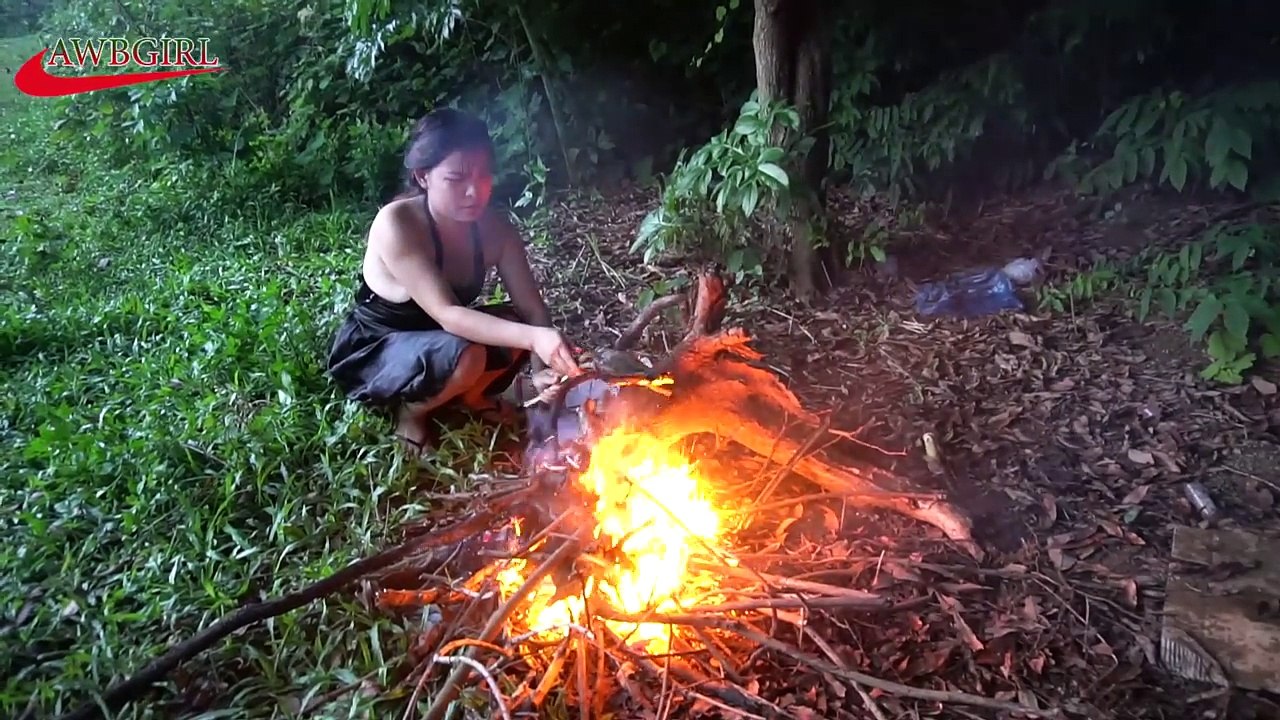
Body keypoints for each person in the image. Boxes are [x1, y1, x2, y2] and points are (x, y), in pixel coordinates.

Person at [326, 108, 581, 455]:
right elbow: (448, 314)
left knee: (516, 323)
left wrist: (541, 370)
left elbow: (531, 307)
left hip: (447, 340)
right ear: (423, 176)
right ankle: (410, 414)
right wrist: (537, 339)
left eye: (483, 176)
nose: (474, 192)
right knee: (471, 355)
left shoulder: (496, 232)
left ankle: (473, 397)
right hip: (381, 344)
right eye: (456, 178)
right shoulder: (397, 223)